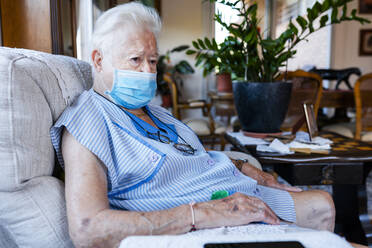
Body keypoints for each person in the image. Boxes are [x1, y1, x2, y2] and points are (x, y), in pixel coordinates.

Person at [50, 2, 335, 248]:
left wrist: (247, 169)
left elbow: (190, 156)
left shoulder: (155, 112)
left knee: (323, 203)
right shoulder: (88, 118)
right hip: (210, 219)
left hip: (240, 193)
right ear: (99, 61)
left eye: (152, 60)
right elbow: (88, 229)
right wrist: (200, 213)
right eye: (135, 60)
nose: (148, 71)